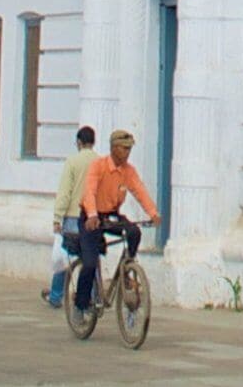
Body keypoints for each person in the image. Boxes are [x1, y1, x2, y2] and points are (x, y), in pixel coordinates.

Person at [67, 127, 161, 316]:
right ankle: (81, 304)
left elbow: (139, 191)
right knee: (90, 263)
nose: (127, 153)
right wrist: (92, 215)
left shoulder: (129, 171)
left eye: (129, 149)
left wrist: (153, 213)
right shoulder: (98, 166)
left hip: (111, 215)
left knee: (134, 232)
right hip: (90, 217)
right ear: (113, 148)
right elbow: (89, 192)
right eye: (124, 148)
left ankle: (127, 267)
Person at [44, 125, 99, 307]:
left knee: (64, 257)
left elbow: (65, 192)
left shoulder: (73, 162)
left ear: (79, 142)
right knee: (91, 257)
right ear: (94, 142)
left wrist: (57, 218)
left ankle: (56, 295)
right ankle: (94, 295)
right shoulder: (100, 162)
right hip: (93, 217)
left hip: (73, 217)